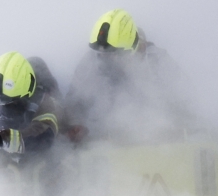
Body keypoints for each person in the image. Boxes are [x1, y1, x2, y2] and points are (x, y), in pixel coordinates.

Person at [65, 9, 192, 142]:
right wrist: (75, 126)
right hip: (107, 145)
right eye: (102, 53)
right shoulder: (91, 63)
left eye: (114, 53)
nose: (106, 58)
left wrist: (178, 125)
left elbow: (187, 100)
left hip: (159, 145)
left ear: (132, 48)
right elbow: (73, 103)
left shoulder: (158, 61)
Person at [0, 51, 61, 157]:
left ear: (26, 94)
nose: (2, 108)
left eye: (10, 103)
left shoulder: (45, 102)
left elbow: (43, 137)